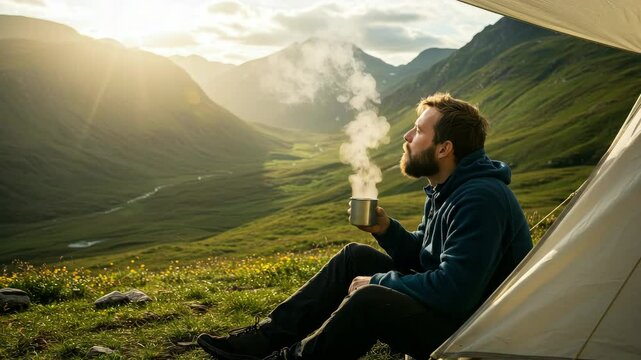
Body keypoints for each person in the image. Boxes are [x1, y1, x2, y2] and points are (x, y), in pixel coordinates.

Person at [197, 92, 533, 360]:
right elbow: (428, 258)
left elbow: (455, 291)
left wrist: (379, 281)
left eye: (418, 130)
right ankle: (264, 339)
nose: (407, 136)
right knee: (355, 256)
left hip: (476, 327)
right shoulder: (448, 188)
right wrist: (386, 230)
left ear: (444, 148)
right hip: (456, 310)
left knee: (369, 298)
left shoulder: (480, 198)